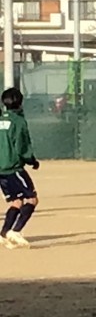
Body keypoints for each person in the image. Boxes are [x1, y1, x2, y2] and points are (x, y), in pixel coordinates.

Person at [0, 87, 40, 249]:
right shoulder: (18, 121)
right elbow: (22, 146)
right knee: (32, 199)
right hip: (13, 168)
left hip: (1, 170)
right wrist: (32, 161)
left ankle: (4, 233)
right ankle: (15, 231)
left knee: (16, 201)